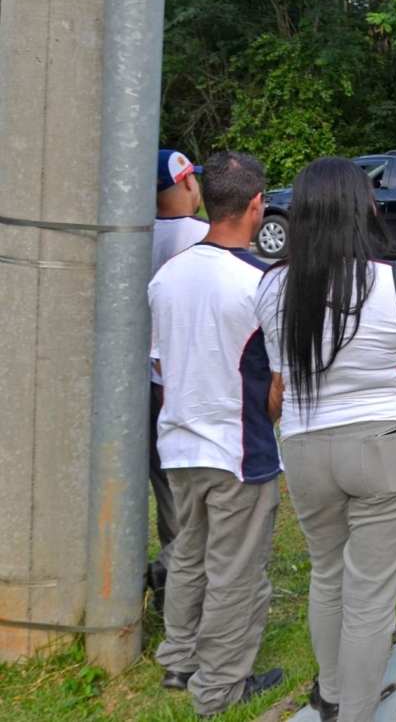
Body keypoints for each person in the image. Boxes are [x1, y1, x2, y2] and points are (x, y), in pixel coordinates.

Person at [255, 157, 396, 722]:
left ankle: (334, 695)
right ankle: (354, 712)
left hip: (302, 446)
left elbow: (279, 373)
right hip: (383, 447)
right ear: (364, 209)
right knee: (370, 600)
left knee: (327, 574)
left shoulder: (272, 287)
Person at [149, 151, 283, 717]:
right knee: (235, 569)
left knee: (187, 553)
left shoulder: (167, 275)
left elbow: (159, 364)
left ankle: (178, 658)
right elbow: (279, 381)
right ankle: (222, 683)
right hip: (238, 447)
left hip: (178, 439)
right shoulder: (260, 282)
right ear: (256, 205)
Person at [146, 149, 207, 613]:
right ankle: (172, 578)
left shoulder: (134, 236)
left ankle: (173, 592)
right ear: (187, 183)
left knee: (168, 495)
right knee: (198, 502)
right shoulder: (201, 237)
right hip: (184, 382)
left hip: (142, 383)